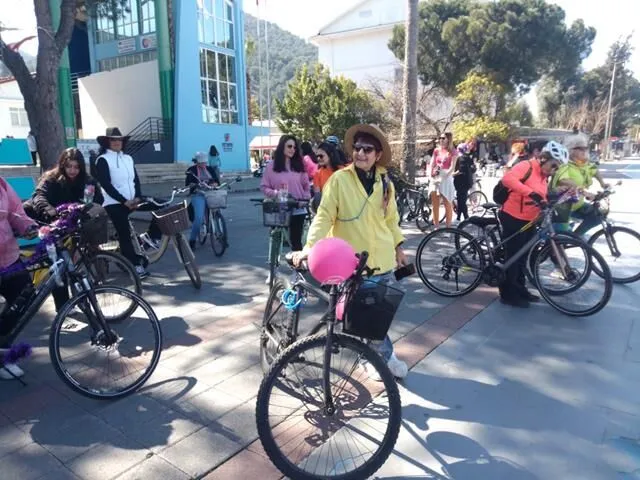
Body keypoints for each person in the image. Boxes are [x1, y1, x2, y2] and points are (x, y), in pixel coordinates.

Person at [291, 124, 409, 379]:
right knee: (363, 314)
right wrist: (310, 247)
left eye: (367, 149)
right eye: (357, 148)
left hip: (383, 257)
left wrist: (399, 246)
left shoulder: (385, 182)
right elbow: (323, 217)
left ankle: (374, 355)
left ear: (377, 155)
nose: (361, 154)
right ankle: (382, 358)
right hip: (352, 261)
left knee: (378, 313)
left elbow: (391, 219)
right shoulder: (339, 180)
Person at [24, 148, 106, 313]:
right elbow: (38, 197)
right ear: (62, 165)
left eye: (76, 167)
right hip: (45, 219)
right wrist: (50, 211)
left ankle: (74, 299)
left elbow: (98, 200)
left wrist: (85, 206)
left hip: (68, 222)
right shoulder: (51, 178)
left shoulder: (87, 180)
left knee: (69, 261)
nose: (72, 171)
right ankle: (62, 306)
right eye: (69, 166)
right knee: (58, 262)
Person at [499, 144, 567, 308]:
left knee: (524, 257)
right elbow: (507, 179)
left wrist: (560, 194)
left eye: (557, 167)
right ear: (544, 159)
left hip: (530, 219)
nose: (554, 170)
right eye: (554, 165)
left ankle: (520, 289)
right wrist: (529, 192)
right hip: (513, 216)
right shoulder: (526, 166)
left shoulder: (544, 176)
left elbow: (541, 195)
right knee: (513, 257)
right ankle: (508, 294)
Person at [94, 127, 161, 278]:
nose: (117, 142)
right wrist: (124, 201)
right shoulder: (102, 160)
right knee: (124, 232)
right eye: (113, 140)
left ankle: (151, 236)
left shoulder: (128, 158)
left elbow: (135, 180)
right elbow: (106, 184)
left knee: (162, 205)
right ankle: (135, 266)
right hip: (114, 203)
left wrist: (137, 197)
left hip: (133, 200)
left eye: (119, 139)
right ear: (107, 142)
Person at [0, 177, 38, 379]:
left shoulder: (2, 184)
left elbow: (16, 212)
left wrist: (28, 226)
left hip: (9, 258)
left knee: (25, 295)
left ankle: (2, 350)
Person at [550, 134, 609, 237]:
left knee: (598, 215)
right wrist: (584, 192)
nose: (585, 151)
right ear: (572, 150)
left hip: (577, 204)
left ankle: (575, 237)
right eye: (581, 148)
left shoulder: (583, 164)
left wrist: (603, 184)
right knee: (559, 237)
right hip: (562, 206)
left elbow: (594, 170)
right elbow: (564, 180)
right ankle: (563, 243)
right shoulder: (564, 164)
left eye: (586, 148)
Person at [260, 135, 311, 253]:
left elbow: (306, 186)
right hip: (279, 207)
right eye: (289, 146)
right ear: (281, 147)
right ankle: (273, 262)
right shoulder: (271, 166)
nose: (292, 149)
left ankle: (297, 268)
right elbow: (264, 186)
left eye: (294, 147)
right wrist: (276, 194)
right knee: (276, 236)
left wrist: (306, 197)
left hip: (298, 206)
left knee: (296, 241)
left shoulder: (299, 165)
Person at [186, 152, 220, 250]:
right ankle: (192, 240)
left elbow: (216, 180)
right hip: (198, 194)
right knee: (199, 218)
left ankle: (221, 234)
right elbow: (188, 183)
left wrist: (214, 184)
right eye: (201, 162)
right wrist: (193, 185)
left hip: (210, 193)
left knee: (217, 210)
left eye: (204, 162)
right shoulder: (191, 170)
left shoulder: (210, 169)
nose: (203, 164)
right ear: (196, 162)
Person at [429, 132, 457, 228]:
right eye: (440, 138)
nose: (441, 140)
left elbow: (452, 168)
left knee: (447, 203)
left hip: (446, 177)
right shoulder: (436, 150)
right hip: (436, 176)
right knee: (435, 204)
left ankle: (448, 227)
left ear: (448, 139)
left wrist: (443, 177)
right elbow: (432, 163)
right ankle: (436, 226)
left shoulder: (453, 151)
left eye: (443, 138)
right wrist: (430, 175)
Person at [453, 139, 477, 221]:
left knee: (461, 200)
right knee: (461, 199)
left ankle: (465, 217)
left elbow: (460, 170)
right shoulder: (467, 157)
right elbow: (473, 169)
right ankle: (460, 217)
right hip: (466, 182)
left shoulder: (461, 158)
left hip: (461, 182)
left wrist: (452, 174)